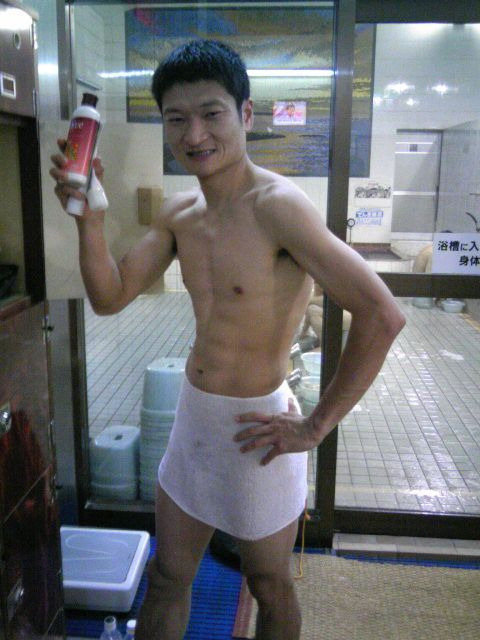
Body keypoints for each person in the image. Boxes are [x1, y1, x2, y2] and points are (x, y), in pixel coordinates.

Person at [50, 39, 405, 640]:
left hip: (259, 430)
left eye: (211, 113)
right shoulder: (180, 213)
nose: (194, 135)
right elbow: (110, 297)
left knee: (269, 584)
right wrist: (91, 218)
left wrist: (314, 428)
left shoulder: (279, 207)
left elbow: (382, 314)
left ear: (245, 114)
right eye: (176, 119)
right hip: (194, 420)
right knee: (167, 576)